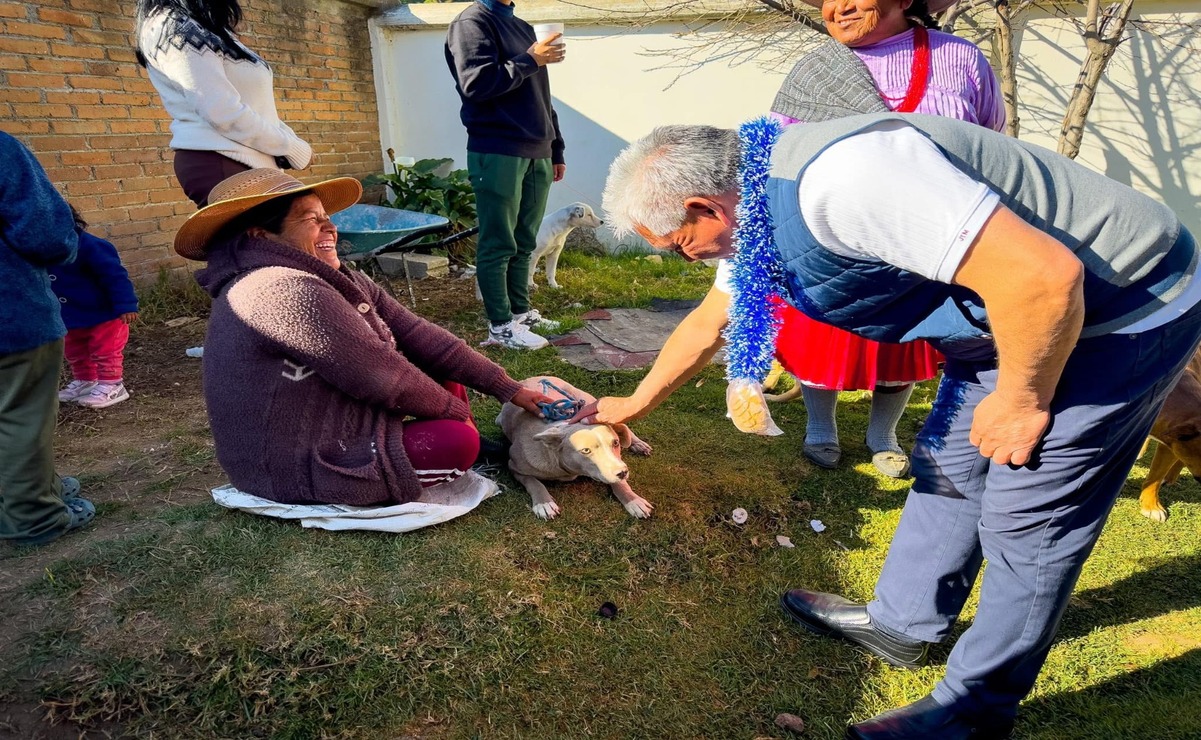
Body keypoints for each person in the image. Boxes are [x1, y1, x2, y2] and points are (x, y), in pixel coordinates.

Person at [597, 115, 1201, 738]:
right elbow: (710, 322)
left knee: (1033, 516)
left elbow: (1045, 278)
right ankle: (903, 624)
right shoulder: (752, 212)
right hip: (1006, 317)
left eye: (674, 244)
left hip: (1121, 306)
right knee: (949, 467)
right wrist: (636, 401)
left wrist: (1023, 400)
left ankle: (974, 709)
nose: (681, 257)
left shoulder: (849, 182)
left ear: (704, 208)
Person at [174, 168, 556, 506]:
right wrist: (457, 417)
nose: (330, 228)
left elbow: (419, 334)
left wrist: (509, 389)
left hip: (332, 416)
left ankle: (458, 435)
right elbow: (379, 376)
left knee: (436, 361)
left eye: (328, 217)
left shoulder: (339, 278)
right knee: (457, 442)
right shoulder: (278, 289)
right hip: (293, 462)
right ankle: (458, 443)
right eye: (311, 220)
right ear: (262, 236)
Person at [762, 0, 1006, 477]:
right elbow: (778, 154)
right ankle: (821, 428)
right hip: (833, 239)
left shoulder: (960, 59)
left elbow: (990, 141)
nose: (840, 6)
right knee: (825, 338)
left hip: (928, 238)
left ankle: (882, 434)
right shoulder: (814, 71)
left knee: (903, 342)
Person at [445, 0, 567, 350]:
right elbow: (476, 84)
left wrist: (556, 147)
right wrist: (531, 60)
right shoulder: (471, 23)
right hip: (497, 148)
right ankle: (499, 327)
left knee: (525, 239)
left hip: (537, 149)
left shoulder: (525, 27)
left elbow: (542, 96)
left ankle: (520, 314)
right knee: (499, 241)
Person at [0, 132, 95, 547]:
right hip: (11, 315)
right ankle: (34, 517)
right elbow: (46, 234)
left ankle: (32, 489)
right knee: (21, 415)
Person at [135, 0, 313, 207]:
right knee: (263, 239)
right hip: (224, 161)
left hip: (239, 161)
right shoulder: (177, 25)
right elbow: (222, 111)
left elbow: (254, 108)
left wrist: (292, 145)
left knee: (267, 237)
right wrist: (292, 148)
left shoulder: (201, 25)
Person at [50, 206, 140, 410]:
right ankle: (85, 380)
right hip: (72, 315)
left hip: (104, 314)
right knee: (75, 350)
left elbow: (115, 276)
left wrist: (126, 304)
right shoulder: (47, 251)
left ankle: (112, 384)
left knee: (105, 350)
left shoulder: (90, 245)